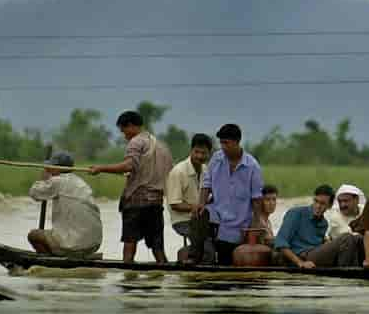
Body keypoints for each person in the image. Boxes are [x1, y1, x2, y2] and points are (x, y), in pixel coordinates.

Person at [90, 110, 173, 263]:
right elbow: (151, 171)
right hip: (156, 203)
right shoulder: (162, 146)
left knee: (129, 243)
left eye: (123, 131)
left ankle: (127, 275)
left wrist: (101, 168)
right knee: (158, 247)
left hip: (136, 202)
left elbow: (129, 166)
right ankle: (163, 274)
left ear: (131, 126)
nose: (124, 135)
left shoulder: (136, 142)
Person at [189, 123, 264, 265]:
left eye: (226, 143)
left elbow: (256, 199)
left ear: (237, 142)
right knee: (199, 214)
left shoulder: (252, 166)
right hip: (217, 216)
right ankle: (194, 257)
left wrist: (255, 224)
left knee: (227, 261)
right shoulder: (216, 159)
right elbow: (206, 184)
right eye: (221, 143)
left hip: (239, 223)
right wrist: (201, 203)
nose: (223, 147)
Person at [28, 151, 102, 259]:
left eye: (51, 166)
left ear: (58, 168)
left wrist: (44, 178)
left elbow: (34, 193)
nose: (49, 168)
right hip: (93, 244)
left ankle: (49, 260)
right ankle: (57, 254)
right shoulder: (81, 182)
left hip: (74, 245)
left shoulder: (57, 181)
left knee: (34, 235)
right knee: (54, 233)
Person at [275, 185, 362, 268]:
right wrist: (300, 262)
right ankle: (347, 273)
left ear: (330, 206)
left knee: (357, 239)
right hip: (301, 257)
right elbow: (280, 242)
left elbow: (319, 244)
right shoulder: (295, 213)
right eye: (316, 201)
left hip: (315, 255)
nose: (318, 206)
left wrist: (327, 242)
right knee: (347, 238)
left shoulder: (324, 223)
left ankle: (352, 270)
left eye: (322, 203)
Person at [165, 134, 212, 249]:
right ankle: (194, 259)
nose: (200, 156)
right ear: (191, 151)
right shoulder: (178, 172)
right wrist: (196, 207)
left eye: (204, 153)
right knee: (205, 244)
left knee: (222, 235)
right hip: (183, 221)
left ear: (209, 153)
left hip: (202, 219)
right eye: (197, 152)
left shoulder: (206, 169)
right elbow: (174, 204)